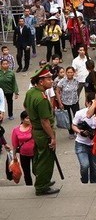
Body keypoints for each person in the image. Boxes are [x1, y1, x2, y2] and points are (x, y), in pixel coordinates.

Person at [23, 65, 60, 195]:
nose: (51, 81)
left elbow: (25, 106)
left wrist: (33, 119)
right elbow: (45, 122)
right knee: (46, 159)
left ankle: (43, 179)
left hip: (36, 130)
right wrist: (53, 137)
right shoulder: (42, 99)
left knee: (39, 156)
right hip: (44, 133)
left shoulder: (31, 92)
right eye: (49, 79)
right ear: (41, 81)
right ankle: (42, 186)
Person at [71, 92, 96, 184]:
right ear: (88, 103)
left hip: (94, 144)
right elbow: (73, 125)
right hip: (81, 144)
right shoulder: (80, 113)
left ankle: (94, 184)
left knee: (94, 167)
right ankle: (84, 182)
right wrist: (80, 132)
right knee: (85, 165)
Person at [11, 111, 35, 186]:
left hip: (35, 152)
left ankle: (39, 185)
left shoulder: (34, 127)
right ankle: (29, 186)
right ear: (22, 119)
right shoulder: (16, 130)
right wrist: (14, 156)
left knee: (37, 170)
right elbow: (15, 144)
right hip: (23, 154)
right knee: (26, 172)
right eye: (27, 118)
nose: (29, 120)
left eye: (30, 118)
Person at [56, 66, 81, 138]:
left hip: (74, 101)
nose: (70, 74)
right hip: (65, 102)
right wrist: (60, 103)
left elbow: (77, 88)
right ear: (66, 73)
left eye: (71, 72)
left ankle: (77, 130)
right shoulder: (62, 81)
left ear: (74, 73)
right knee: (68, 118)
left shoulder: (76, 80)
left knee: (77, 116)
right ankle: (71, 132)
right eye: (68, 72)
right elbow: (57, 92)